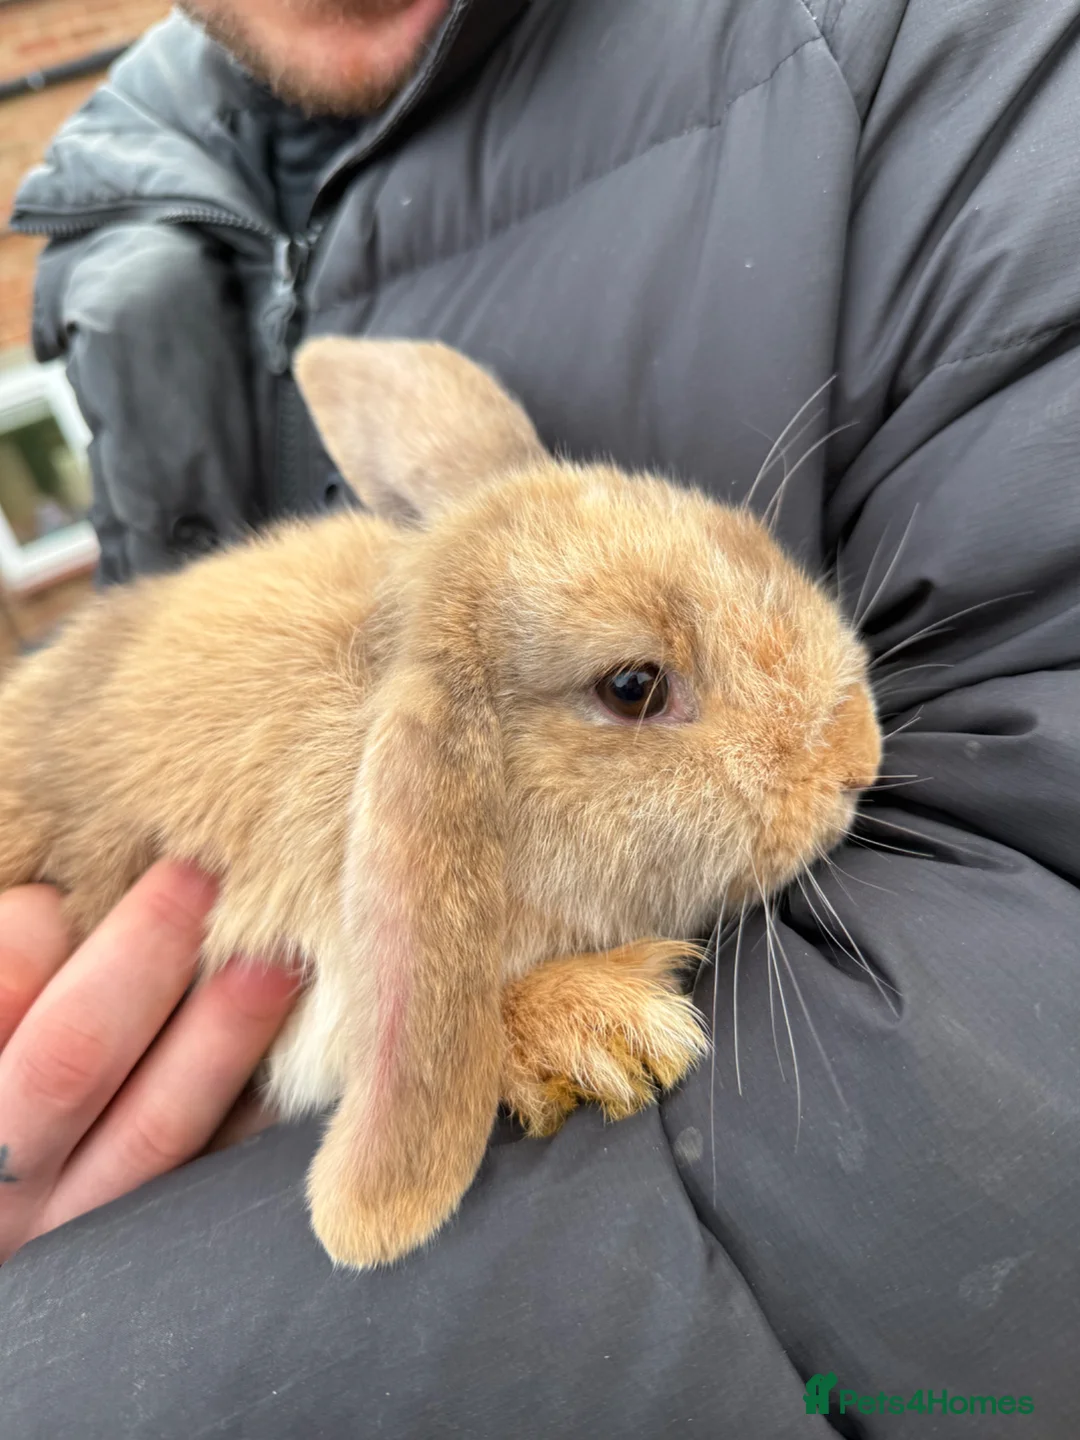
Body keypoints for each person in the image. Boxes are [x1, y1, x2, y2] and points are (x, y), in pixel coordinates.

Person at [2, 0, 1079, 1434]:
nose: (848, 766)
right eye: (640, 690)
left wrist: (69, 1337)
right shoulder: (125, 216)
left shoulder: (916, 57)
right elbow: (289, 963)